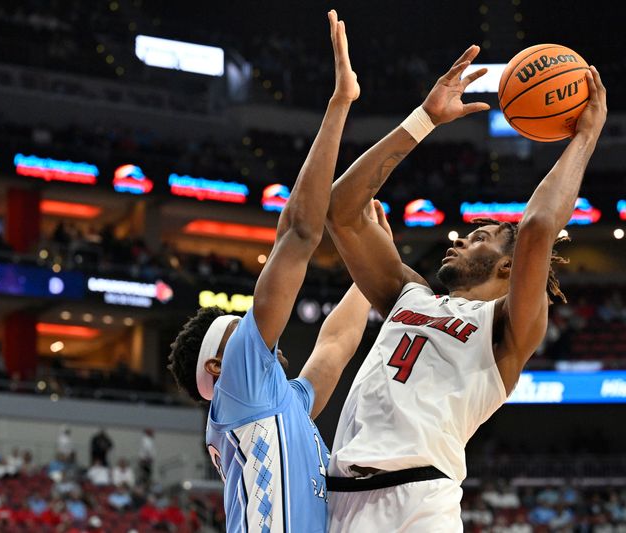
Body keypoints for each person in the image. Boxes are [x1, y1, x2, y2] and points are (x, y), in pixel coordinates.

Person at [324, 45, 608, 532]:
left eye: (479, 239)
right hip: (341, 500)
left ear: (508, 268)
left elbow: (538, 225)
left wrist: (584, 136)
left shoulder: (507, 327)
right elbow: (340, 211)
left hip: (420, 500)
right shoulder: (408, 295)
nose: (459, 243)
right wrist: (424, 120)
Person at [167, 11, 368, 532]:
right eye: (240, 333)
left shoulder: (277, 402)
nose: (259, 331)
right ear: (219, 367)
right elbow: (299, 234)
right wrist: (339, 106)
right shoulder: (242, 382)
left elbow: (335, 346)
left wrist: (377, 265)